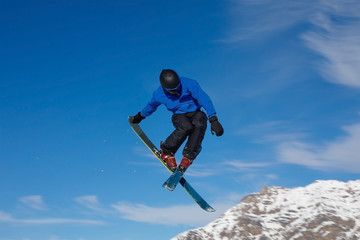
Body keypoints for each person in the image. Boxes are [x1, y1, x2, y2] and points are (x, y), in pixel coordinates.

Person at [130, 69, 223, 173]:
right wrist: (140, 116)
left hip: (196, 112)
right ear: (165, 89)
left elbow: (203, 98)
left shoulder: (189, 83)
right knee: (186, 126)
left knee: (199, 123)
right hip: (179, 115)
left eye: (178, 89)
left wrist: (213, 119)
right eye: (172, 91)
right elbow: (151, 106)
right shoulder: (159, 94)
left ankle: (188, 157)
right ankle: (167, 151)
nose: (176, 92)